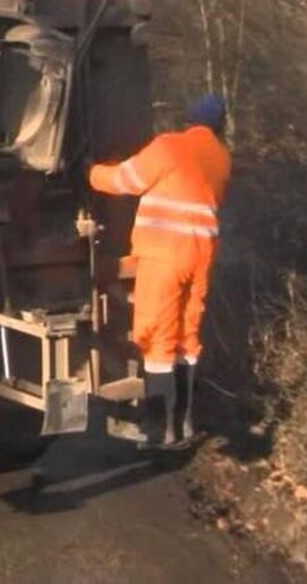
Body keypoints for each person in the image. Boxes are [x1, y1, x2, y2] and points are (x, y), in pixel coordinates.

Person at [89, 93, 232, 447]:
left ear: (188, 121)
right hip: (202, 255)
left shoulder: (170, 146)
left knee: (156, 338)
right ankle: (183, 424)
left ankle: (158, 430)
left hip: (165, 254)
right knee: (188, 338)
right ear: (220, 126)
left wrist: (89, 172)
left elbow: (125, 180)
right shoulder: (221, 157)